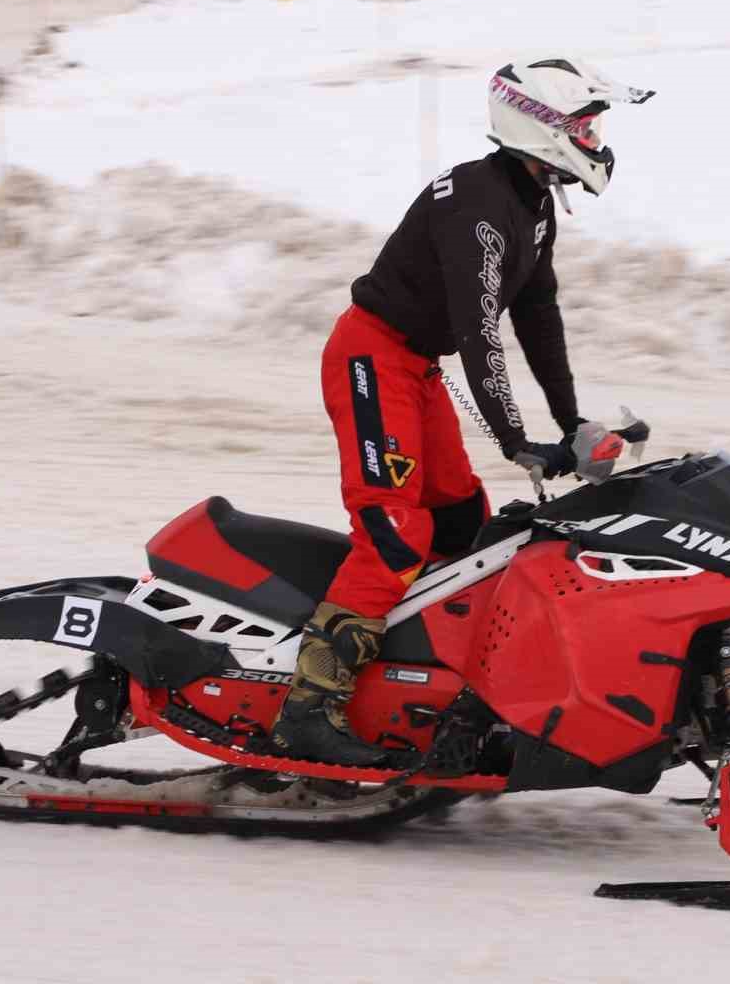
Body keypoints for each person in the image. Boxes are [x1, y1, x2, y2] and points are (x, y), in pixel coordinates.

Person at [269, 57, 654, 766]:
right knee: (393, 532)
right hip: (371, 356)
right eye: (585, 123)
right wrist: (516, 440)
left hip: (415, 365)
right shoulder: (480, 205)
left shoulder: (532, 201)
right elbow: (479, 332)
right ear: (539, 126)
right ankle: (309, 707)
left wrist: (570, 424)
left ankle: (417, 688)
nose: (595, 137)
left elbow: (537, 316)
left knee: (460, 522)